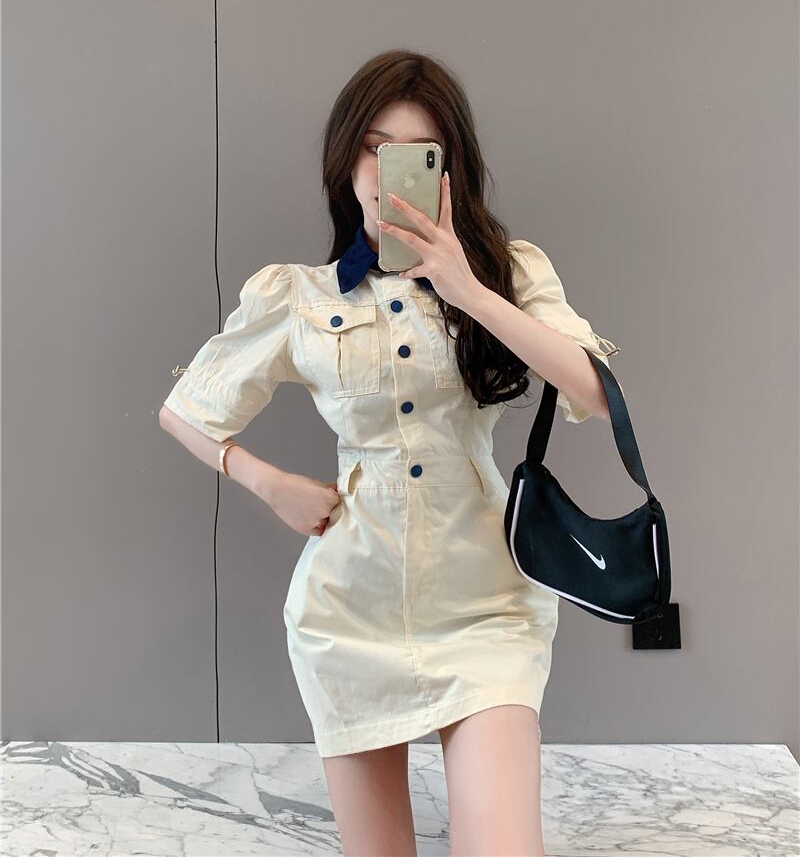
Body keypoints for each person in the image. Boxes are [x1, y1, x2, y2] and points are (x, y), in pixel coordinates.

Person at [160, 48, 620, 856]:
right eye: (373, 149)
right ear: (346, 161)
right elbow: (185, 412)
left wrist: (468, 289)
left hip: (487, 607)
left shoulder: (511, 273)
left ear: (450, 170)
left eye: (417, 153)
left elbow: (593, 391)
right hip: (349, 612)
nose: (386, 173)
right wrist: (268, 483)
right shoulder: (297, 295)